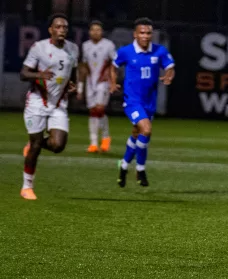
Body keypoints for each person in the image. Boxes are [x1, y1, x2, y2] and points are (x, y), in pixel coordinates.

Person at [19, 13, 79, 200]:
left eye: (65, 28)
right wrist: (38, 75)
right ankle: (27, 186)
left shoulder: (73, 48)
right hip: (38, 101)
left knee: (58, 145)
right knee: (37, 145)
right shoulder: (39, 48)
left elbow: (72, 71)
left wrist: (73, 85)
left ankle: (33, 144)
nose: (62, 30)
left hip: (59, 103)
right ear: (51, 30)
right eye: (58, 27)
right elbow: (23, 73)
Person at [110, 18, 175, 188]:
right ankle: (140, 169)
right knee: (146, 130)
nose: (145, 36)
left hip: (149, 102)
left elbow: (170, 67)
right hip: (132, 101)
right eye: (142, 33)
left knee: (136, 134)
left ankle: (123, 166)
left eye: (148, 33)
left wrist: (169, 75)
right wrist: (112, 82)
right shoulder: (126, 51)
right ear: (135, 34)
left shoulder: (159, 51)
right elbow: (113, 66)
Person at [78, 20, 117, 152]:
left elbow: (114, 64)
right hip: (90, 82)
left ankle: (105, 137)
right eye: (93, 29)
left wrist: (112, 80)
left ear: (102, 32)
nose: (95, 32)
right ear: (89, 32)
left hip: (103, 81)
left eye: (98, 30)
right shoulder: (85, 46)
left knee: (99, 109)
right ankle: (94, 143)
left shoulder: (108, 45)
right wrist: (80, 87)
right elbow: (83, 67)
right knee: (93, 111)